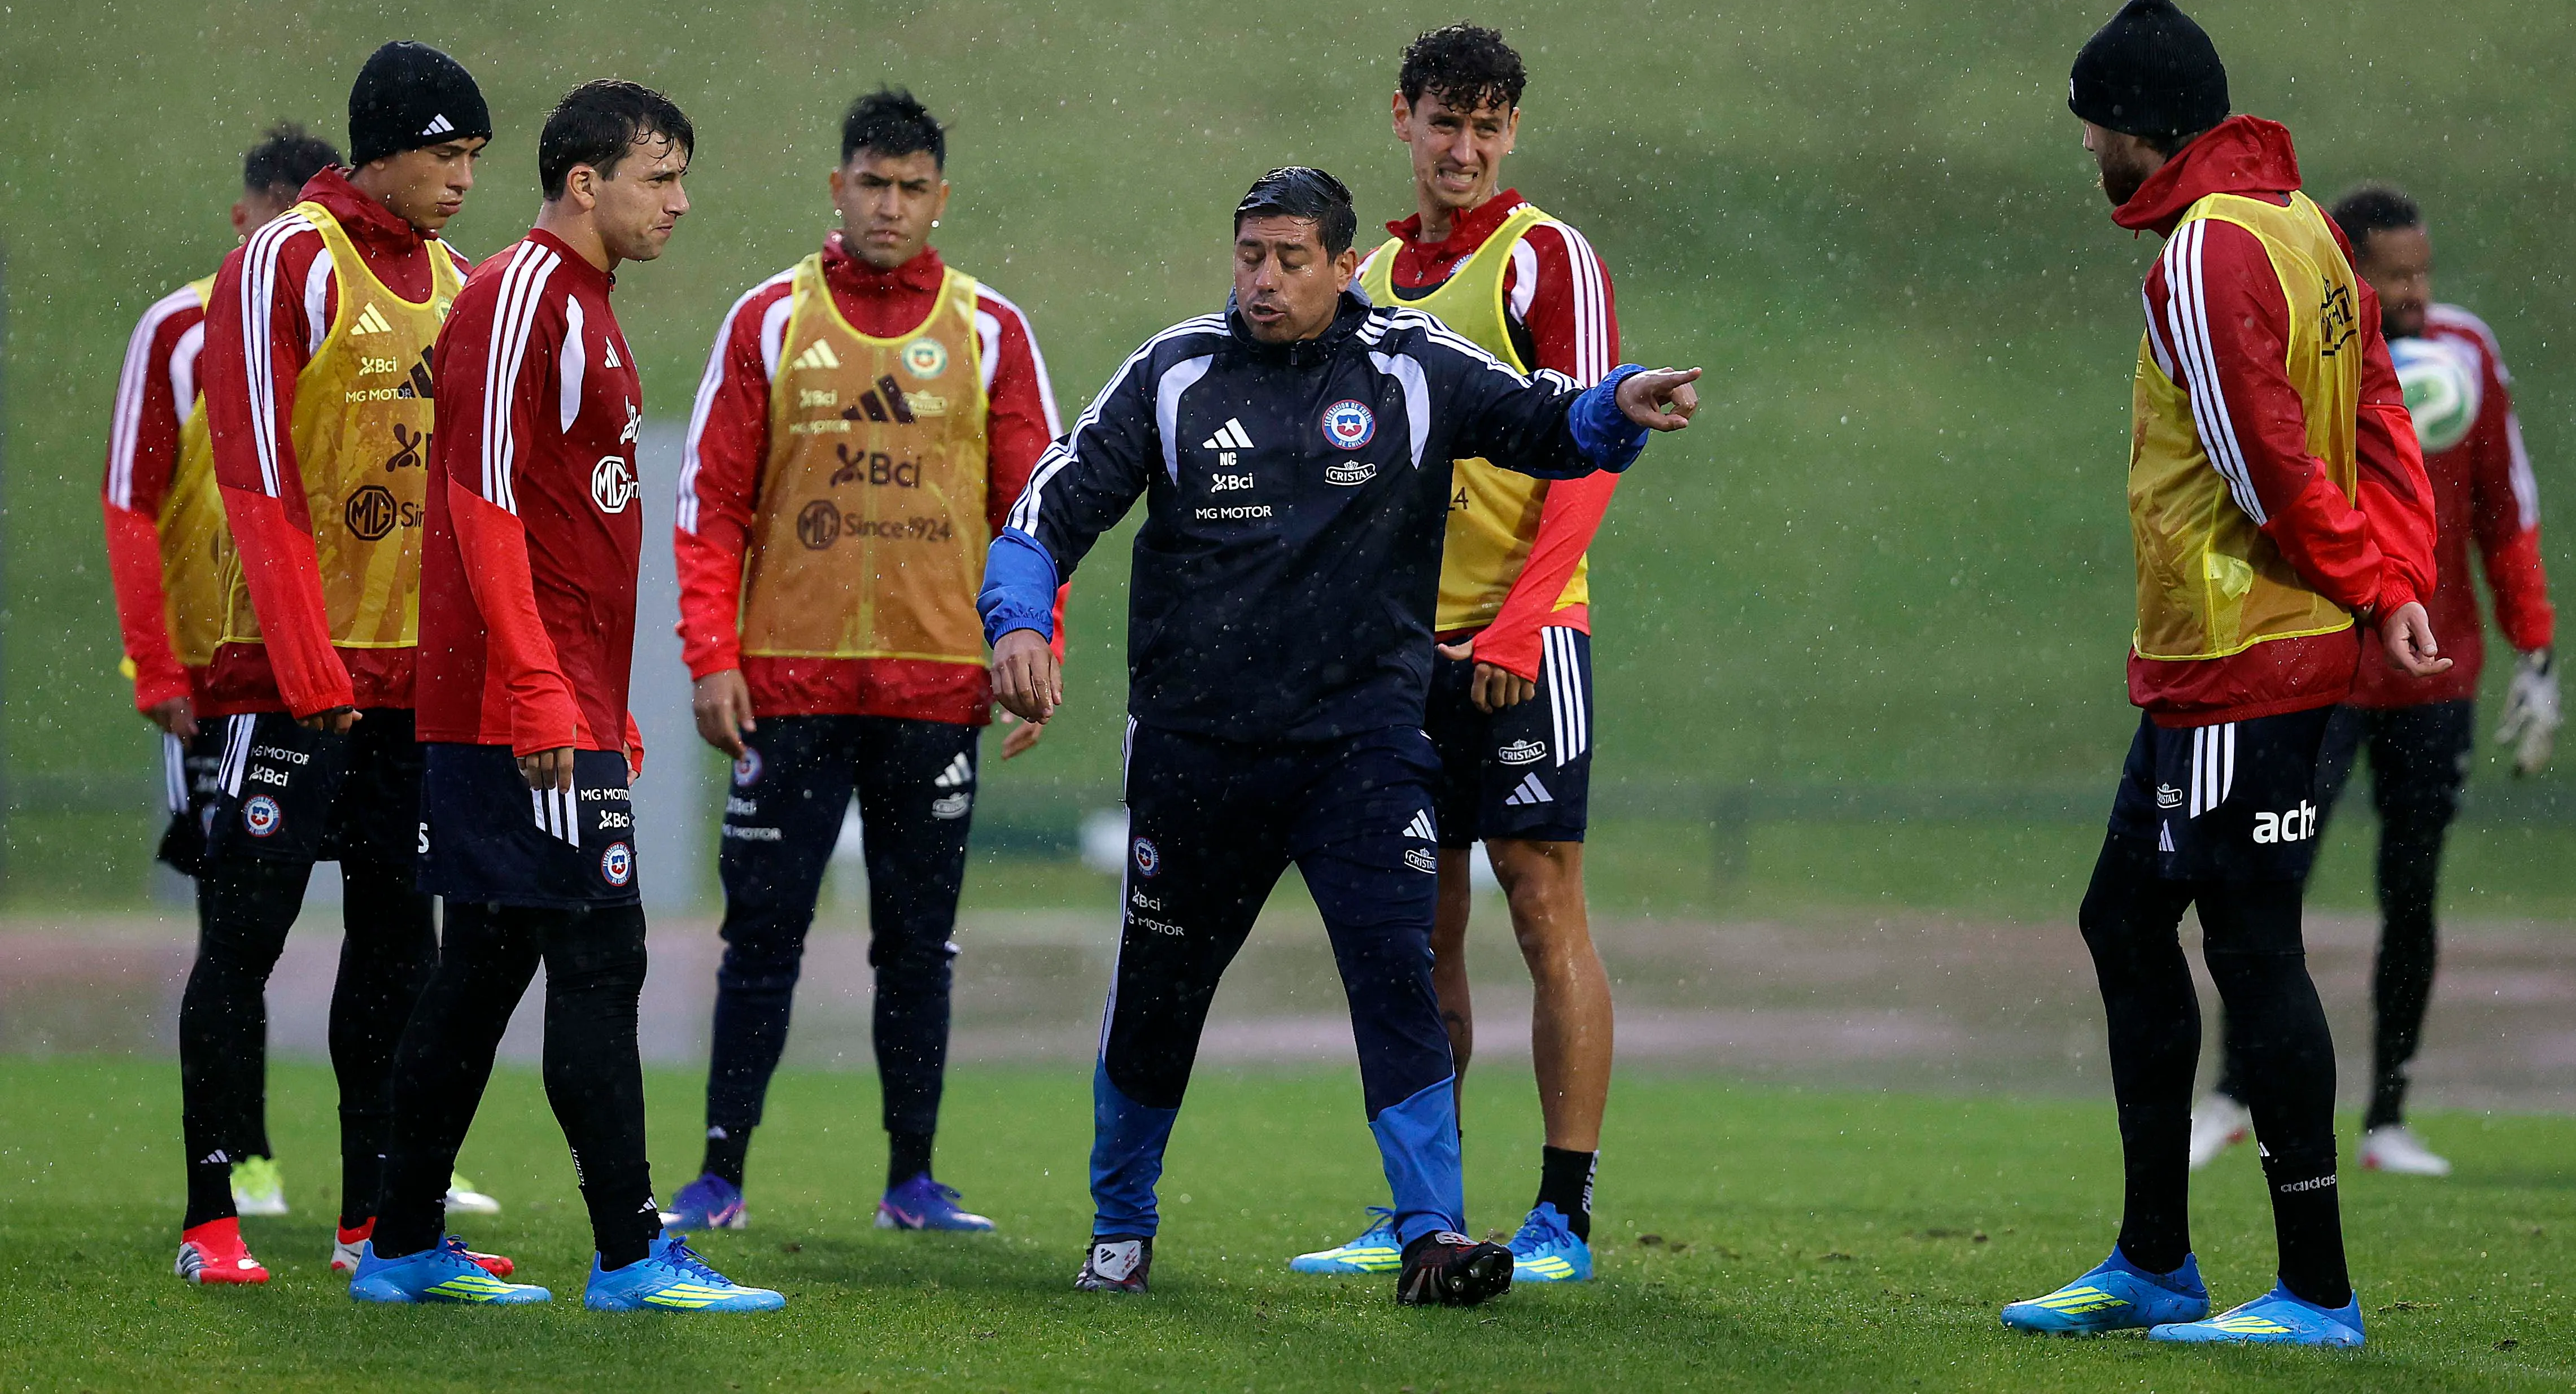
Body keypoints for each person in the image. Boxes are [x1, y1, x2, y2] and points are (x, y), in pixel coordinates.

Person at [980, 165, 1699, 1305]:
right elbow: (1042, 516)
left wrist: (1617, 407)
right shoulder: (1172, 374)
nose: (1262, 281)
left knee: (1395, 973)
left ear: (1343, 265)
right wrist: (1019, 620)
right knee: (1161, 990)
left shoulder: (1411, 365)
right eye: (1248, 257)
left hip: (1361, 751)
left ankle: (1431, 1237)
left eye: (1289, 259)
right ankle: (1120, 1227)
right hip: (1196, 752)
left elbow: (1543, 422)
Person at [2002, 0, 2441, 1349]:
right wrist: (2397, 573)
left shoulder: (2202, 248)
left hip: (2240, 649)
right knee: (2125, 923)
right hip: (2229, 657)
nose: (2087, 148)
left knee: (2251, 949)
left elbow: (2264, 460)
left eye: (2094, 126)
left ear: (2142, 125)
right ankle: (2154, 1261)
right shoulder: (2301, 223)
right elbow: (2379, 413)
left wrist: (2370, 580)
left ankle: (2314, 1288)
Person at [350, 79, 779, 1311]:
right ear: (585, 183)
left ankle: (401, 1243)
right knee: (600, 955)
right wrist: (542, 690)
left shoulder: (583, 302)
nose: (680, 202)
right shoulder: (518, 295)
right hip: (511, 711)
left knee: (483, 968)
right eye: (660, 176)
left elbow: (565, 526)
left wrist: (600, 697)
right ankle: (631, 1255)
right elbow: (479, 501)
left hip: (552, 702)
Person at [665, 88, 1066, 1235]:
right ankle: (718, 1177)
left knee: (917, 946)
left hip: (934, 693)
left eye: (910, 188)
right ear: (836, 188)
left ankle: (912, 1182)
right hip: (785, 692)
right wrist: (710, 654)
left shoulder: (990, 330)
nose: (889, 206)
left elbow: (1039, 510)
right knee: (761, 937)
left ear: (940, 198)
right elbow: (708, 506)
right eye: (872, 185)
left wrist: (1033, 646)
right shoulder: (768, 320)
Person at [1295, 24, 1621, 1286]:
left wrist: (1522, 620)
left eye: (1489, 127)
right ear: (1403, 119)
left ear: (1512, 132)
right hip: (1402, 656)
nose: (1466, 149)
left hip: (1529, 637)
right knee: (1414, 930)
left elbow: (1591, 446)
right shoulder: (1369, 275)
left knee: (1541, 903)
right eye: (1446, 122)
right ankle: (1421, 1209)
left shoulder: (1544, 256)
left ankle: (1561, 1217)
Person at [181, 45, 491, 1287]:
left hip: (411, 688)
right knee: (244, 938)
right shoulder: (285, 260)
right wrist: (308, 662)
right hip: (286, 680)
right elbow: (255, 468)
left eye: (475, 157)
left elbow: (470, 500)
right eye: (444, 154)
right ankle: (210, 1218)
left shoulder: (460, 283)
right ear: (383, 150)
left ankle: (372, 1220)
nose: (462, 178)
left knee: (396, 952)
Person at [2190, 184, 2556, 1179]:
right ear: (2347, 272)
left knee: (2412, 893)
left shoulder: (2465, 352)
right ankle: (2229, 1097)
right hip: (2313, 672)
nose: (2415, 293)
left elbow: (2504, 509)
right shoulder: (2303, 350)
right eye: (2394, 276)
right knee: (2268, 885)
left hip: (2433, 677)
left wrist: (2534, 649)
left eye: (2422, 272)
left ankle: (2387, 1118)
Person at [106, 124, 338, 1222]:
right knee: (236, 924)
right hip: (221, 680)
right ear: (242, 221)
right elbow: (131, 500)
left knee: (397, 924)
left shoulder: (364, 319)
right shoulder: (180, 329)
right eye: (273, 222)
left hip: (350, 676)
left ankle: (399, 1169)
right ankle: (242, 1157)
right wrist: (154, 660)